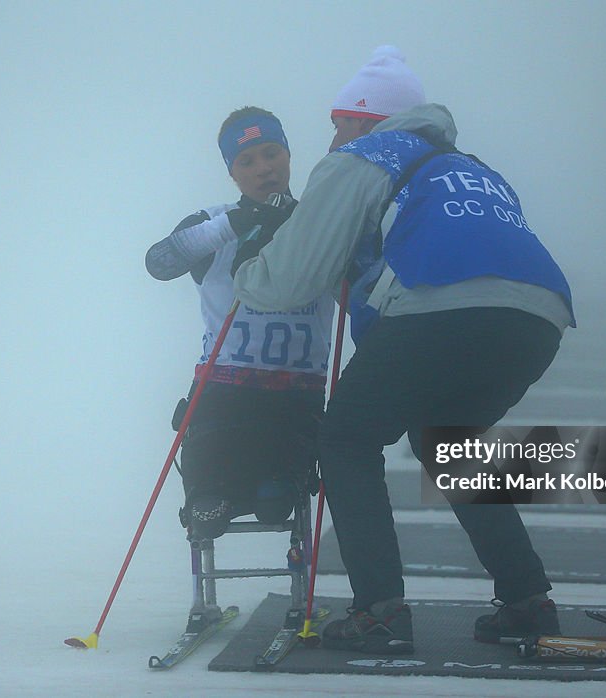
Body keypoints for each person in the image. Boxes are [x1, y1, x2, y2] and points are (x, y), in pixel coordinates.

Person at [232, 46, 575, 653]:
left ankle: (379, 611)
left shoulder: (364, 155)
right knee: (445, 441)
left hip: (446, 308)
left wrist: (247, 268)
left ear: (365, 118)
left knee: (345, 436)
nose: (332, 135)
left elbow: (285, 282)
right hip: (537, 318)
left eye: (338, 121)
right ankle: (528, 599)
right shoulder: (470, 166)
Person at [146, 107, 334, 540]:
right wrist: (234, 224)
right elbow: (159, 263)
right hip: (224, 388)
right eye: (246, 161)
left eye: (272, 154)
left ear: (288, 155)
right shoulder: (214, 223)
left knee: (274, 502)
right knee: (209, 498)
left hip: (295, 396)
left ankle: (265, 493)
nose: (263, 168)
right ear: (232, 172)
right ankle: (208, 499)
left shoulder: (321, 223)